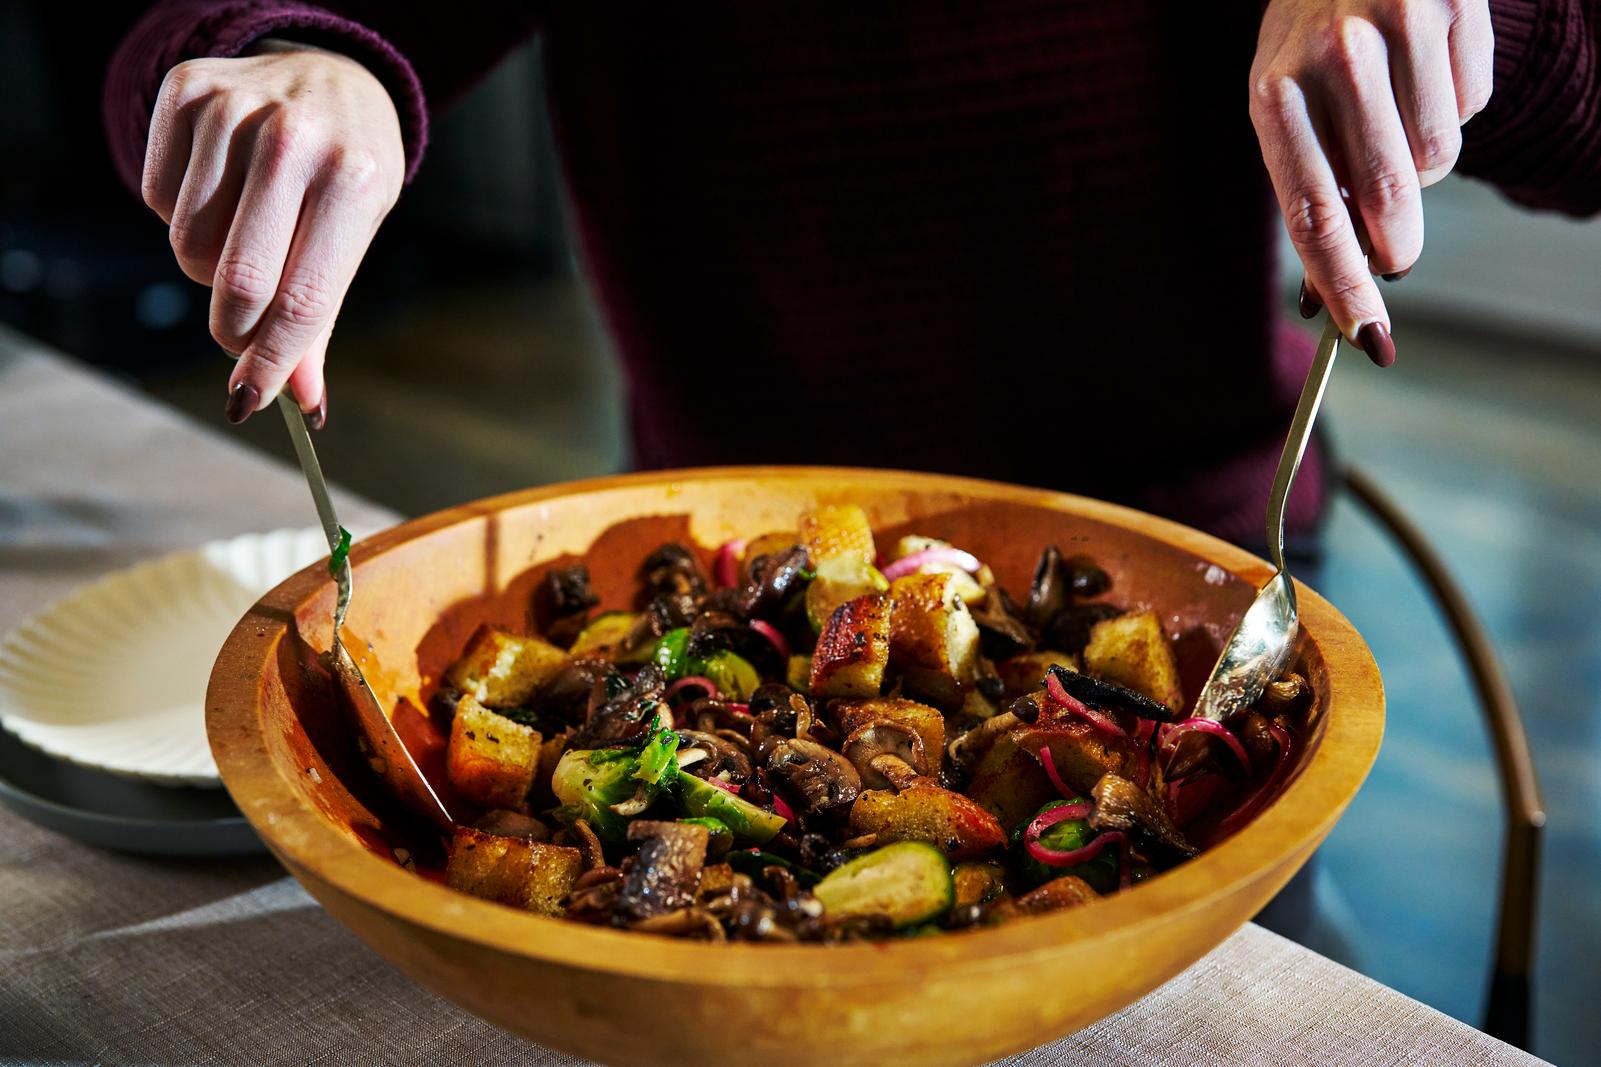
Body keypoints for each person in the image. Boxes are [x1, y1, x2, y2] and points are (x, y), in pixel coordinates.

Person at [104, 2, 1596, 943]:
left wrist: (1487, 28)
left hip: (1200, 591)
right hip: (711, 533)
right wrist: (282, 48)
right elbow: (189, 30)